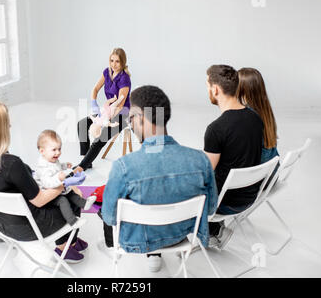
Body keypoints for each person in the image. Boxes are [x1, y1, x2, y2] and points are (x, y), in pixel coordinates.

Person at [101, 85, 218, 273]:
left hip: (141, 240)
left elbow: (109, 216)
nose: (130, 124)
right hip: (182, 235)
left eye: (131, 118)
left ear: (140, 117)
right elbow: (211, 208)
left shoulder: (123, 167)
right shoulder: (201, 161)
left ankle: (150, 253)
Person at [0, 100, 89, 263]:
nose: (9, 126)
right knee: (72, 198)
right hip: (30, 227)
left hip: (0, 223)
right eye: (6, 123)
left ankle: (71, 241)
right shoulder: (11, 164)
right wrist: (66, 184)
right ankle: (64, 247)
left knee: (66, 195)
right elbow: (40, 200)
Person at [203, 65, 264, 247]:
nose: (207, 90)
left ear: (215, 89)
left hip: (225, 203)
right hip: (250, 195)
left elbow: (204, 174)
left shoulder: (216, 129)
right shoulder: (255, 119)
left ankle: (209, 230)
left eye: (207, 86)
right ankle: (214, 230)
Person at [76, 48, 132, 171]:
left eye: (117, 61)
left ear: (123, 62)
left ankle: (81, 166)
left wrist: (104, 122)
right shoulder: (107, 72)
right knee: (82, 124)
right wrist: (94, 103)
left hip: (121, 113)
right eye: (112, 60)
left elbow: (120, 104)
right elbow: (95, 89)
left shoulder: (125, 78)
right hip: (108, 110)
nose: (114, 64)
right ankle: (87, 160)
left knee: (101, 136)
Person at [33, 129, 96, 226]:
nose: (58, 152)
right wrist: (59, 178)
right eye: (54, 150)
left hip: (57, 187)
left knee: (70, 192)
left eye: (59, 149)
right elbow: (47, 183)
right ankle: (72, 221)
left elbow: (57, 166)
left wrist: (64, 165)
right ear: (42, 151)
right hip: (47, 193)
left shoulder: (51, 159)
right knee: (63, 201)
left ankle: (85, 204)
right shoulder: (43, 167)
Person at [237, 67, 279, 163]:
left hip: (256, 174)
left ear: (242, 89)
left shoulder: (248, 117)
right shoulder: (265, 112)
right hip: (270, 171)